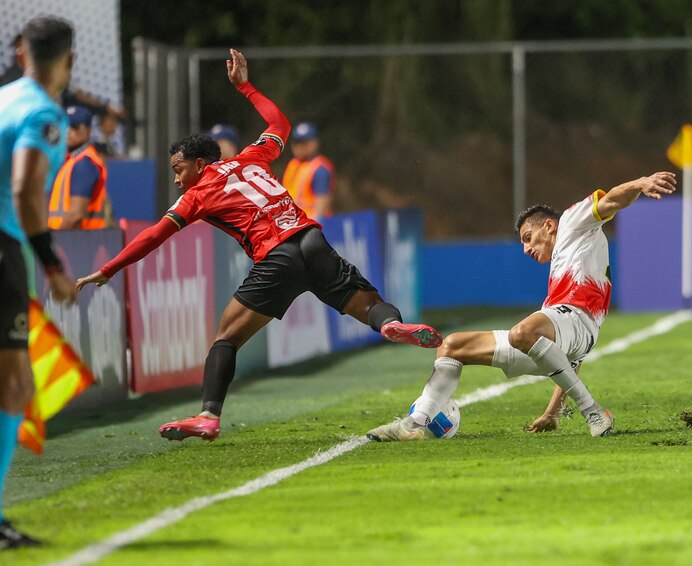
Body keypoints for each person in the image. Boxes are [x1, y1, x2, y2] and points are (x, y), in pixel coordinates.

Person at [76, 49, 443, 443]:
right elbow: (280, 124)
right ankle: (390, 325)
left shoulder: (197, 195)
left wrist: (109, 268)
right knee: (370, 305)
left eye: (179, 171)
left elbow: (153, 235)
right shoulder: (253, 157)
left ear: (199, 164)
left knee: (225, 338)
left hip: (277, 258)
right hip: (311, 240)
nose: (178, 180)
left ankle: (208, 416)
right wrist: (245, 87)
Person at [367, 171, 677, 441]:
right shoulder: (558, 282)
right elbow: (571, 360)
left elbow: (611, 200)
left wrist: (640, 183)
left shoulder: (572, 222)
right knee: (451, 346)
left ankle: (593, 411)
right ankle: (415, 423)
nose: (527, 248)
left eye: (529, 237)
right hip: (564, 334)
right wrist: (553, 412)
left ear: (549, 226)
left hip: (578, 321)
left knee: (523, 332)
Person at [0, 16, 78, 549]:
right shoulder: (43, 113)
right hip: (3, 248)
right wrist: (51, 265)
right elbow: (26, 189)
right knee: (14, 386)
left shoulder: (3, 99)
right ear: (69, 60)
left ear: (21, 52)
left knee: (17, 385)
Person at [48, 105, 112, 230]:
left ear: (88, 131)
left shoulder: (84, 163)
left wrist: (53, 239)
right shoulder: (72, 160)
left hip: (79, 239)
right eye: (64, 126)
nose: (68, 131)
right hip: (74, 238)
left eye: (75, 127)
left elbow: (76, 215)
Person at [282, 121, 335, 220]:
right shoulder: (293, 165)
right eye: (296, 143)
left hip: (311, 224)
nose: (299, 147)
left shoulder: (319, 169)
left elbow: (321, 206)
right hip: (293, 222)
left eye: (304, 143)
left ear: (314, 143)